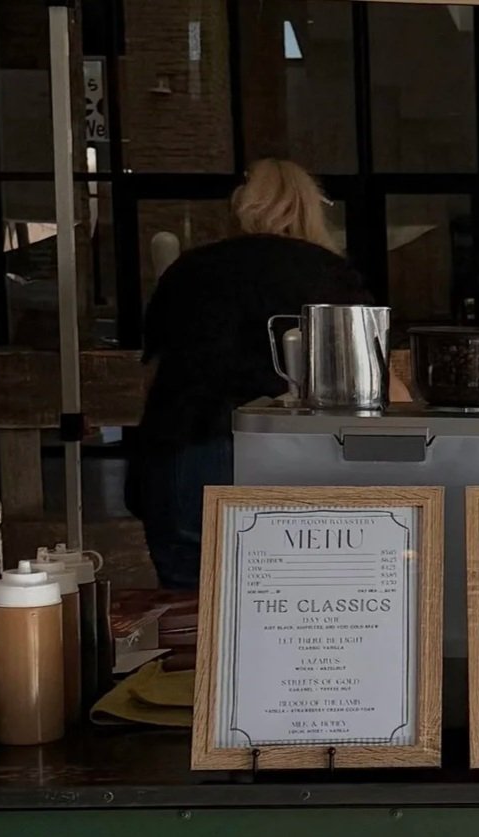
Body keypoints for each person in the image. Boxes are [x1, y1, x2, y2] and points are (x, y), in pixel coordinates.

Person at [129, 159, 373, 588]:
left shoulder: (189, 269)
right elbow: (364, 374)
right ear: (312, 208)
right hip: (292, 452)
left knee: (189, 600)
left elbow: (154, 372)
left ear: (241, 204)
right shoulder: (331, 276)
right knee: (292, 594)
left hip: (186, 447)